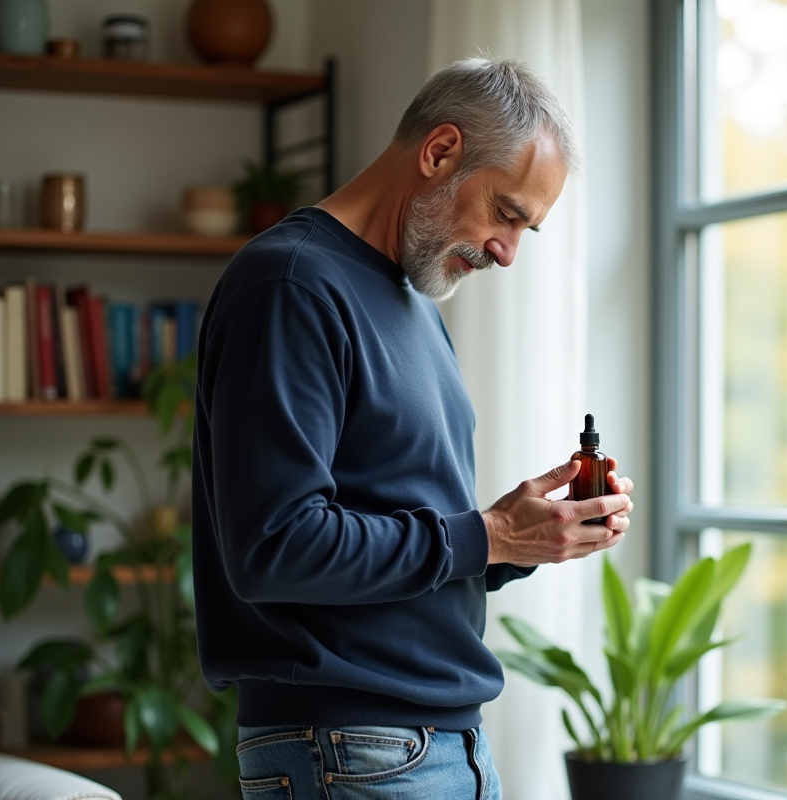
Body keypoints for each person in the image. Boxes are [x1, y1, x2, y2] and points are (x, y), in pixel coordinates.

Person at [191, 57, 635, 800]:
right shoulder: (291, 285)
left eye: (527, 228)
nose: (507, 251)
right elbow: (275, 546)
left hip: (434, 744)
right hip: (350, 749)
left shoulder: (413, 302)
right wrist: (486, 534)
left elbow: (400, 535)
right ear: (439, 152)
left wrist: (523, 537)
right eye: (506, 213)